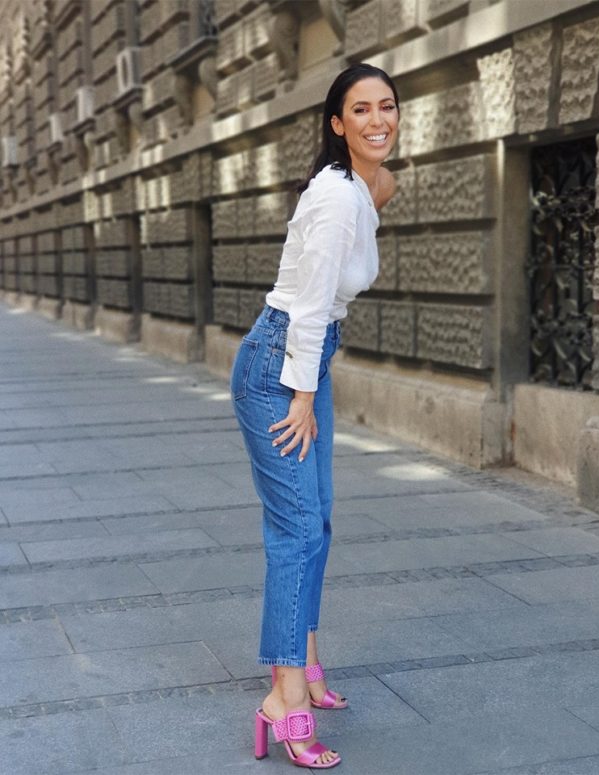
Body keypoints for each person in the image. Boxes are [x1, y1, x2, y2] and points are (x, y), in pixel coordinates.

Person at [230, 63, 399, 769]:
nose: (377, 120)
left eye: (387, 106)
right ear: (336, 123)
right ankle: (284, 695)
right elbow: (307, 305)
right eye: (360, 110)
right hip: (281, 367)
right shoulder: (334, 196)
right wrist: (301, 395)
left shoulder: (357, 185)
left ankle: (306, 661)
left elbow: (378, 193)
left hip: (305, 360)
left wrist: (377, 177)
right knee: (297, 529)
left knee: (316, 519)